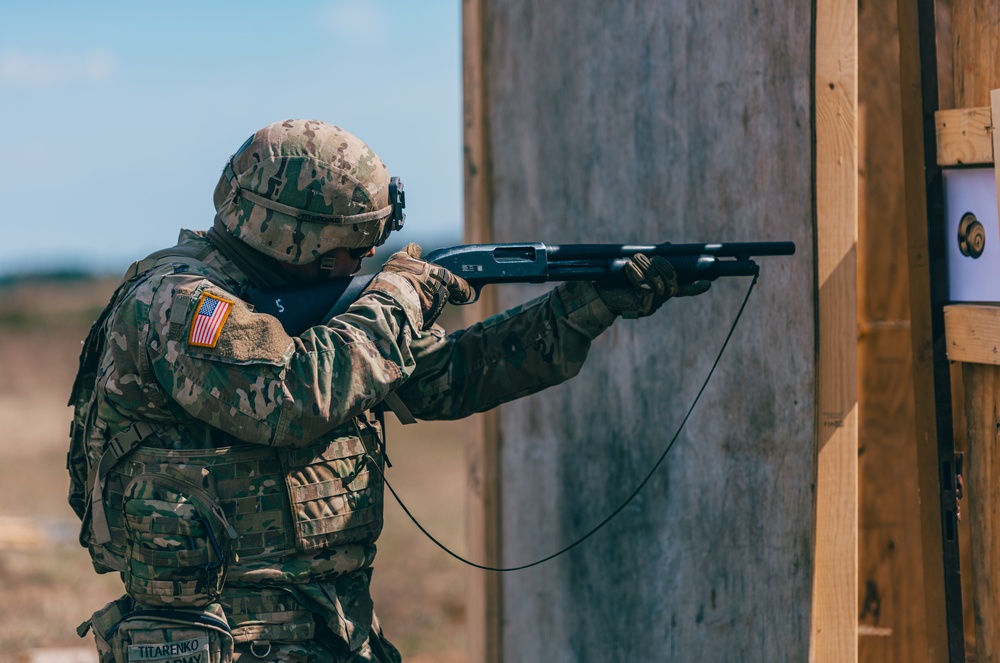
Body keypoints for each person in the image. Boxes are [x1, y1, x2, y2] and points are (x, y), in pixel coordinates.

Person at [67, 119, 709, 662]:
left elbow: (450, 378)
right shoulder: (178, 302)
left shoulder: (320, 315)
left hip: (330, 630)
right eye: (351, 247)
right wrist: (400, 295)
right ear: (292, 231)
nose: (363, 261)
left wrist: (589, 304)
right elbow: (293, 397)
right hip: (220, 638)